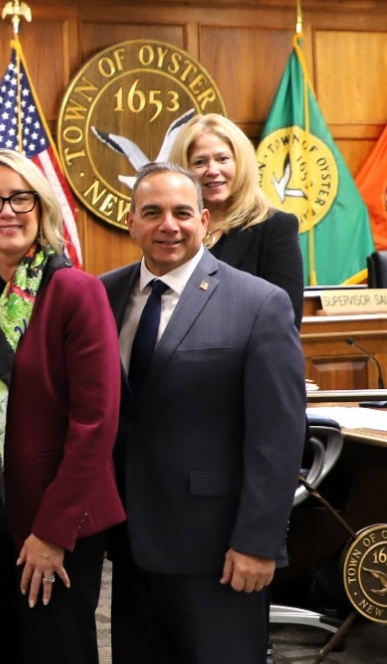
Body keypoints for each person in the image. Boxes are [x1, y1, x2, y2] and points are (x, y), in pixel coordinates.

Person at [101, 163, 306, 664]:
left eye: (182, 213)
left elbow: (278, 437)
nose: (168, 225)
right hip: (129, 544)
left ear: (205, 220)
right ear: (131, 222)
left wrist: (258, 542)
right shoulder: (103, 294)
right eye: (152, 212)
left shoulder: (259, 303)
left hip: (218, 549)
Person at [0, 150, 124, 664]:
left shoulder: (75, 290)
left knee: (56, 650)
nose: (6, 211)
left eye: (20, 198)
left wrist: (53, 531)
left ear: (41, 208)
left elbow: (95, 424)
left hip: (54, 514)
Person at [169, 112, 303, 326]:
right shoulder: (172, 229)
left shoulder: (275, 227)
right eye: (199, 162)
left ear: (241, 163)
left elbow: (286, 319)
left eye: (223, 159)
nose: (212, 170)